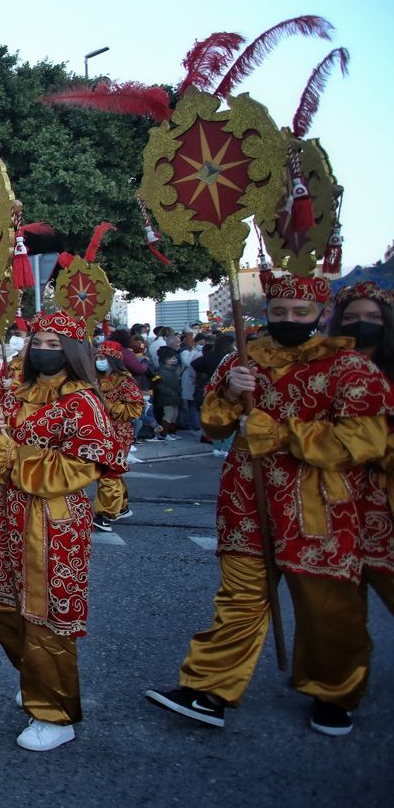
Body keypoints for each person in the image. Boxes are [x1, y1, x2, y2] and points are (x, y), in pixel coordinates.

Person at [145, 272, 394, 737]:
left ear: (320, 314)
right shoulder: (244, 358)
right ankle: (209, 690)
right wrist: (229, 393)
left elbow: (363, 440)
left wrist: (278, 434)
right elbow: (213, 426)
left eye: (300, 312)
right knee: (239, 599)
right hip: (247, 498)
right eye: (279, 311)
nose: (289, 319)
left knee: (327, 606)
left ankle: (333, 692)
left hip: (319, 503)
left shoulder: (349, 367)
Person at [0, 311, 123, 752]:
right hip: (2, 511)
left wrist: (14, 453)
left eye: (55, 344)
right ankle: (38, 676)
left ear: (72, 350)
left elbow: (81, 466)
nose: (44, 350)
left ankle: (54, 711)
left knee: (44, 612)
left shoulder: (83, 402)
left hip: (50, 517)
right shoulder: (16, 393)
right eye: (38, 342)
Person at [329, 282, 394, 617]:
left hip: (385, 494)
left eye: (372, 317)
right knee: (339, 606)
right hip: (336, 495)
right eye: (352, 317)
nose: (362, 324)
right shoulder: (322, 368)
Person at [93, 341, 145, 530]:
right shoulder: (95, 379)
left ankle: (106, 514)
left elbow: (136, 408)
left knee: (109, 472)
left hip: (119, 432)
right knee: (105, 470)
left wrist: (108, 406)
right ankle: (121, 507)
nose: (99, 361)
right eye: (97, 357)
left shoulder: (125, 381)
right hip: (99, 431)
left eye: (102, 358)